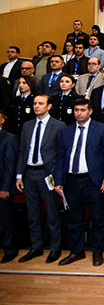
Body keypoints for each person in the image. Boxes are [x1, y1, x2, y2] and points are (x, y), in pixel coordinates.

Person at [54, 98, 104, 267]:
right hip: (71, 180)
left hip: (93, 181)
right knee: (73, 218)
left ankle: (97, 252)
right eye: (76, 110)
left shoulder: (101, 129)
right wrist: (58, 181)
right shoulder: (65, 131)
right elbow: (60, 158)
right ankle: (76, 251)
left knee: (98, 218)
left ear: (90, 111)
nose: (79, 113)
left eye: (82, 110)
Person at [15, 95, 65, 264]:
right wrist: (19, 175)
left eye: (40, 103)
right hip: (29, 174)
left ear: (49, 106)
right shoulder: (27, 125)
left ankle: (55, 248)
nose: (36, 106)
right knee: (33, 214)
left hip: (47, 174)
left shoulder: (58, 126)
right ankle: (36, 247)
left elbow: (62, 154)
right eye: (35, 103)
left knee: (52, 213)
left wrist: (58, 178)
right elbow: (22, 152)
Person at [0, 109, 18, 263]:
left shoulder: (9, 138)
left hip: (2, 187)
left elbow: (10, 165)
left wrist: (5, 187)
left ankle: (10, 249)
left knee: (5, 221)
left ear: (2, 120)